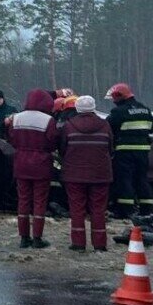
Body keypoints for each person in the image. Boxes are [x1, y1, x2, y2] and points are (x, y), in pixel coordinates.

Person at [58, 95, 113, 252]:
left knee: (77, 209)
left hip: (74, 175)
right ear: (94, 108)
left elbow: (62, 149)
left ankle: (78, 243)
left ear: (77, 108)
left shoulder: (69, 126)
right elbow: (110, 148)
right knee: (98, 210)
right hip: (100, 174)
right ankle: (100, 245)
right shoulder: (105, 125)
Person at [6, 89, 58, 248]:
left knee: (23, 201)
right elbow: (53, 142)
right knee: (39, 202)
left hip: (21, 163)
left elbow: (11, 139)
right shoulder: (48, 120)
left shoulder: (16, 118)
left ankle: (23, 237)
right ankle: (37, 238)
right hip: (41, 165)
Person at [105, 83, 153, 218]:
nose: (114, 101)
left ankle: (124, 210)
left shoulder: (118, 112)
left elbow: (107, 127)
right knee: (141, 179)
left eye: (114, 98)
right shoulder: (145, 109)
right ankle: (147, 209)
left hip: (124, 151)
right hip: (143, 152)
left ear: (119, 96)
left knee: (124, 180)